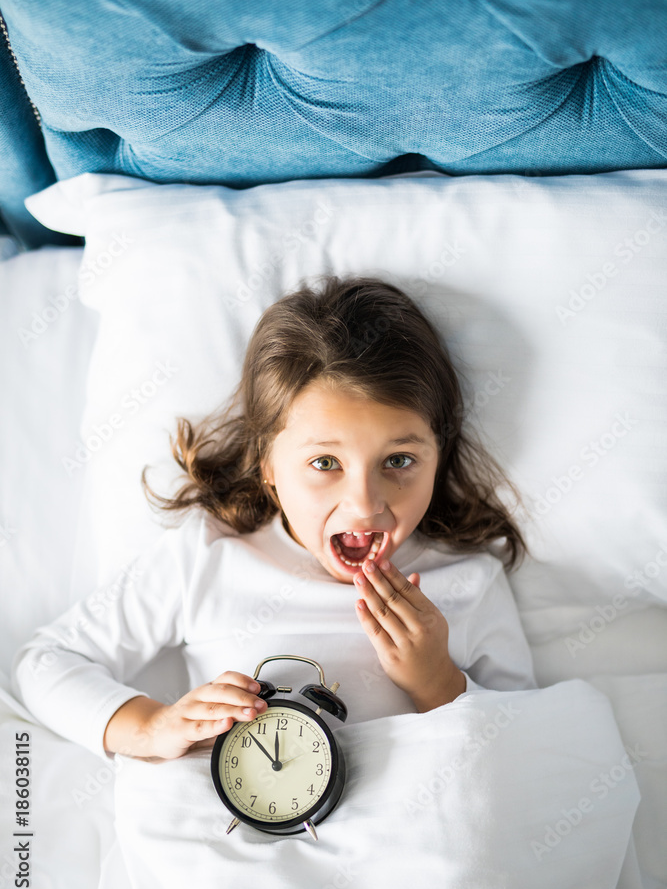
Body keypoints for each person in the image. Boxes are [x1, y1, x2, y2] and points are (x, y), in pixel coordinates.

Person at [11, 276, 537, 764]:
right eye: (324, 463)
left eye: (398, 461)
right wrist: (153, 727)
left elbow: (530, 753)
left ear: (438, 458)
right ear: (268, 466)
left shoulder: (471, 581)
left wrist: (440, 683)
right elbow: (46, 663)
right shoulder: (207, 558)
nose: (364, 504)